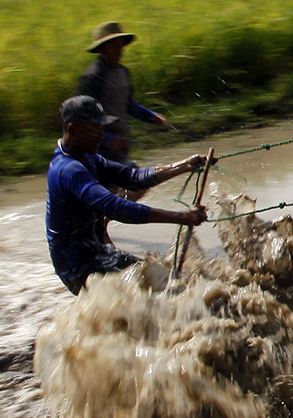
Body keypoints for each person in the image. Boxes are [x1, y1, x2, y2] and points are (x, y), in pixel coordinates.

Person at [47, 96, 215, 295]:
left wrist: (184, 166)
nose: (101, 136)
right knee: (158, 294)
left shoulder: (90, 159)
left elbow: (133, 177)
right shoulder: (67, 170)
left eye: (101, 128)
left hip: (99, 252)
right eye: (95, 129)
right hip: (78, 267)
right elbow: (115, 208)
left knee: (163, 281)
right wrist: (181, 217)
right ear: (73, 129)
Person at [77, 21, 169, 166]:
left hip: (119, 146)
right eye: (113, 45)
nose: (119, 50)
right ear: (102, 48)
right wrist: (108, 139)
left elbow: (128, 104)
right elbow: (81, 118)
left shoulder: (123, 72)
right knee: (137, 177)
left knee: (129, 179)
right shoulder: (92, 77)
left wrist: (151, 116)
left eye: (120, 44)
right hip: (98, 150)